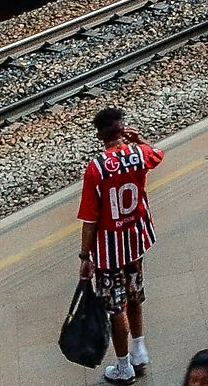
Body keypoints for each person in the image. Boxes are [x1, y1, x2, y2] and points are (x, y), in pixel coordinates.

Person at [77, 107, 162, 382]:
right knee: (135, 296)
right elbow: (156, 154)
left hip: (108, 251)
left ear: (99, 136)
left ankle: (124, 367)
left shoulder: (97, 168)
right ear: (123, 129)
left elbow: (90, 219)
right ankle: (139, 351)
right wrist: (138, 140)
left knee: (116, 308)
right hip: (135, 241)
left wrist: (85, 256)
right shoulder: (138, 154)